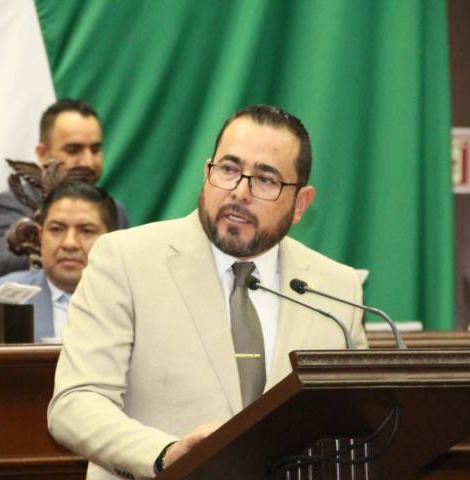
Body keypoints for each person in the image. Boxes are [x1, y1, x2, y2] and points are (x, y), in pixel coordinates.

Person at [47, 105, 368, 480]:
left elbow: (359, 421)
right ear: (207, 173)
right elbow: (75, 403)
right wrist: (165, 454)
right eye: (228, 170)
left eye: (266, 180)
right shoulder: (125, 259)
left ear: (300, 204)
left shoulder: (335, 288)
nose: (240, 192)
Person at [0, 99, 129, 280]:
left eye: (95, 149)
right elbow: (3, 265)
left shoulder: (115, 210)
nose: (88, 162)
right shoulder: (12, 204)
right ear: (43, 154)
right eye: (73, 150)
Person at [0, 181, 117, 343]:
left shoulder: (129, 299)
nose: (69, 244)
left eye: (86, 231)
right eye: (56, 229)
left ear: (111, 239)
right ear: (40, 236)